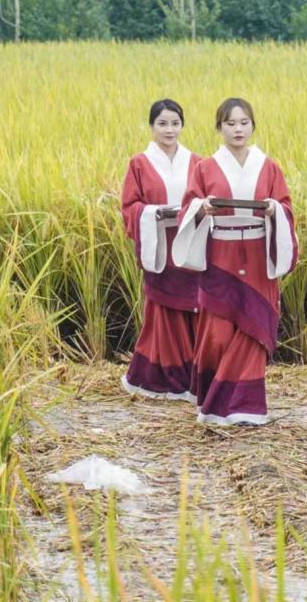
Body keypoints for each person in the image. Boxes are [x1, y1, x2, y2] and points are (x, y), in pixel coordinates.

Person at [171, 97, 298, 426]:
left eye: (244, 123)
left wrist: (273, 209)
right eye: (230, 123)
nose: (238, 129)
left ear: (253, 125)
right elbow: (188, 207)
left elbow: (285, 206)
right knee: (218, 332)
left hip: (257, 256)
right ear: (219, 127)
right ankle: (216, 401)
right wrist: (202, 208)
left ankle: (246, 407)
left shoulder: (269, 166)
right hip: (221, 255)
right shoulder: (205, 167)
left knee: (252, 330)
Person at [120, 98, 201, 400]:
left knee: (195, 308)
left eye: (175, 123)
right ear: (152, 126)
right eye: (162, 123)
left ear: (182, 125)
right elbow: (130, 206)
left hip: (190, 246)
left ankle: (193, 377)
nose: (169, 129)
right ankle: (160, 378)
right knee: (163, 313)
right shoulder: (139, 163)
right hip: (158, 245)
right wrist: (153, 213)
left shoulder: (197, 162)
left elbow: (206, 199)